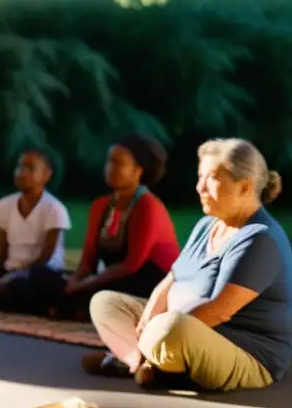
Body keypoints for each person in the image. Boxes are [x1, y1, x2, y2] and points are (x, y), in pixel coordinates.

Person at [84, 138, 292, 389]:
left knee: (172, 327)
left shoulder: (260, 239)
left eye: (212, 178)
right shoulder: (207, 225)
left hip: (244, 351)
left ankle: (142, 360)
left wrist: (157, 329)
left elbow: (219, 311)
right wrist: (147, 317)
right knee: (105, 303)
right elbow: (171, 278)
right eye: (200, 176)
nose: (200, 187)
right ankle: (145, 365)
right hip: (181, 329)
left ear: (245, 187)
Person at [42, 134, 180, 320]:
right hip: (113, 279)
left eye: (118, 163)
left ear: (137, 171)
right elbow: (88, 259)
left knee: (96, 298)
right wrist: (75, 281)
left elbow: (132, 265)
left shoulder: (148, 206)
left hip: (147, 285)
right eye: (109, 162)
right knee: (44, 281)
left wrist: (84, 285)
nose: (110, 168)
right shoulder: (100, 206)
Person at [0, 149, 71, 313]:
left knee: (24, 285)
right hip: (9, 272)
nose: (22, 173)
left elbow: (45, 258)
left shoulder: (55, 209)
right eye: (19, 168)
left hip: (40, 275)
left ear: (46, 175)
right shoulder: (3, 206)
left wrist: (12, 278)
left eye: (30, 168)